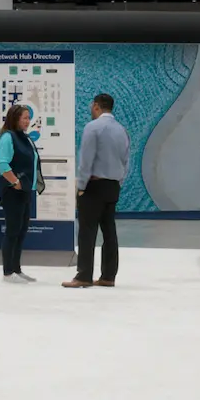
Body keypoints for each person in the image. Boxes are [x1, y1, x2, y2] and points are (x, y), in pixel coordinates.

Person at [67, 93, 130, 288]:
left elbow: (86, 161)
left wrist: (81, 186)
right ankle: (108, 276)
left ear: (96, 106)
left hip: (94, 185)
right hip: (112, 185)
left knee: (87, 230)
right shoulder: (122, 130)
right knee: (109, 230)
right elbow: (126, 160)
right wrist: (118, 181)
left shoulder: (92, 128)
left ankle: (84, 276)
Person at [0, 103, 40, 283]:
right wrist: (15, 182)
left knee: (21, 231)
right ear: (15, 119)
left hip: (25, 191)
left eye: (29, 118)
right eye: (25, 118)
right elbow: (2, 163)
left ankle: (16, 268)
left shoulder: (25, 138)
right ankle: (8, 272)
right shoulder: (8, 137)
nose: (28, 121)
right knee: (12, 231)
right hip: (13, 192)